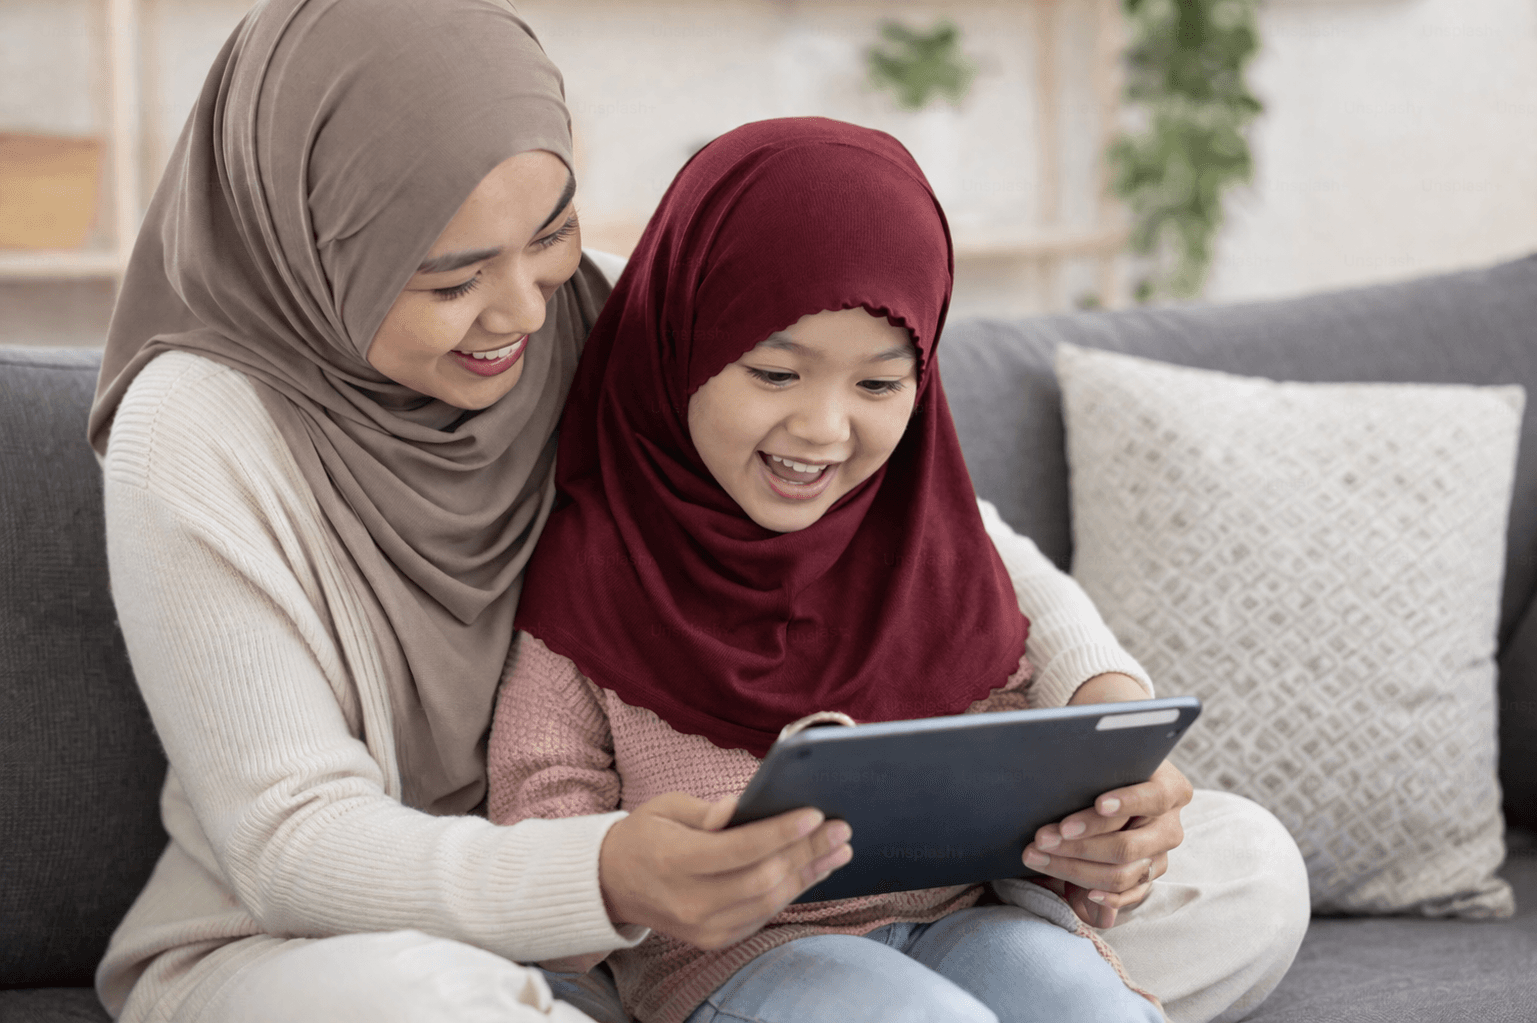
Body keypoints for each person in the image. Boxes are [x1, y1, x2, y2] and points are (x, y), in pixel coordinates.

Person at [87, 3, 851, 1021]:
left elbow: (907, 513)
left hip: (645, 946)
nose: (524, 310)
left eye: (553, 233)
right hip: (301, 949)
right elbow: (289, 843)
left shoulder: (600, 315)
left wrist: (1068, 712)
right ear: (312, 248)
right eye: (451, 280)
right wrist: (604, 873)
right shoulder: (194, 425)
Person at [489, 118, 1310, 1023]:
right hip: (735, 961)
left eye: (878, 385)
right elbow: (548, 866)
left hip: (967, 921)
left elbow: (1030, 775)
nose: (822, 429)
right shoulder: (591, 571)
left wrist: (1093, 844)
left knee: (1099, 998)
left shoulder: (930, 538)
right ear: (677, 345)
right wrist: (627, 880)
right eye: (774, 373)